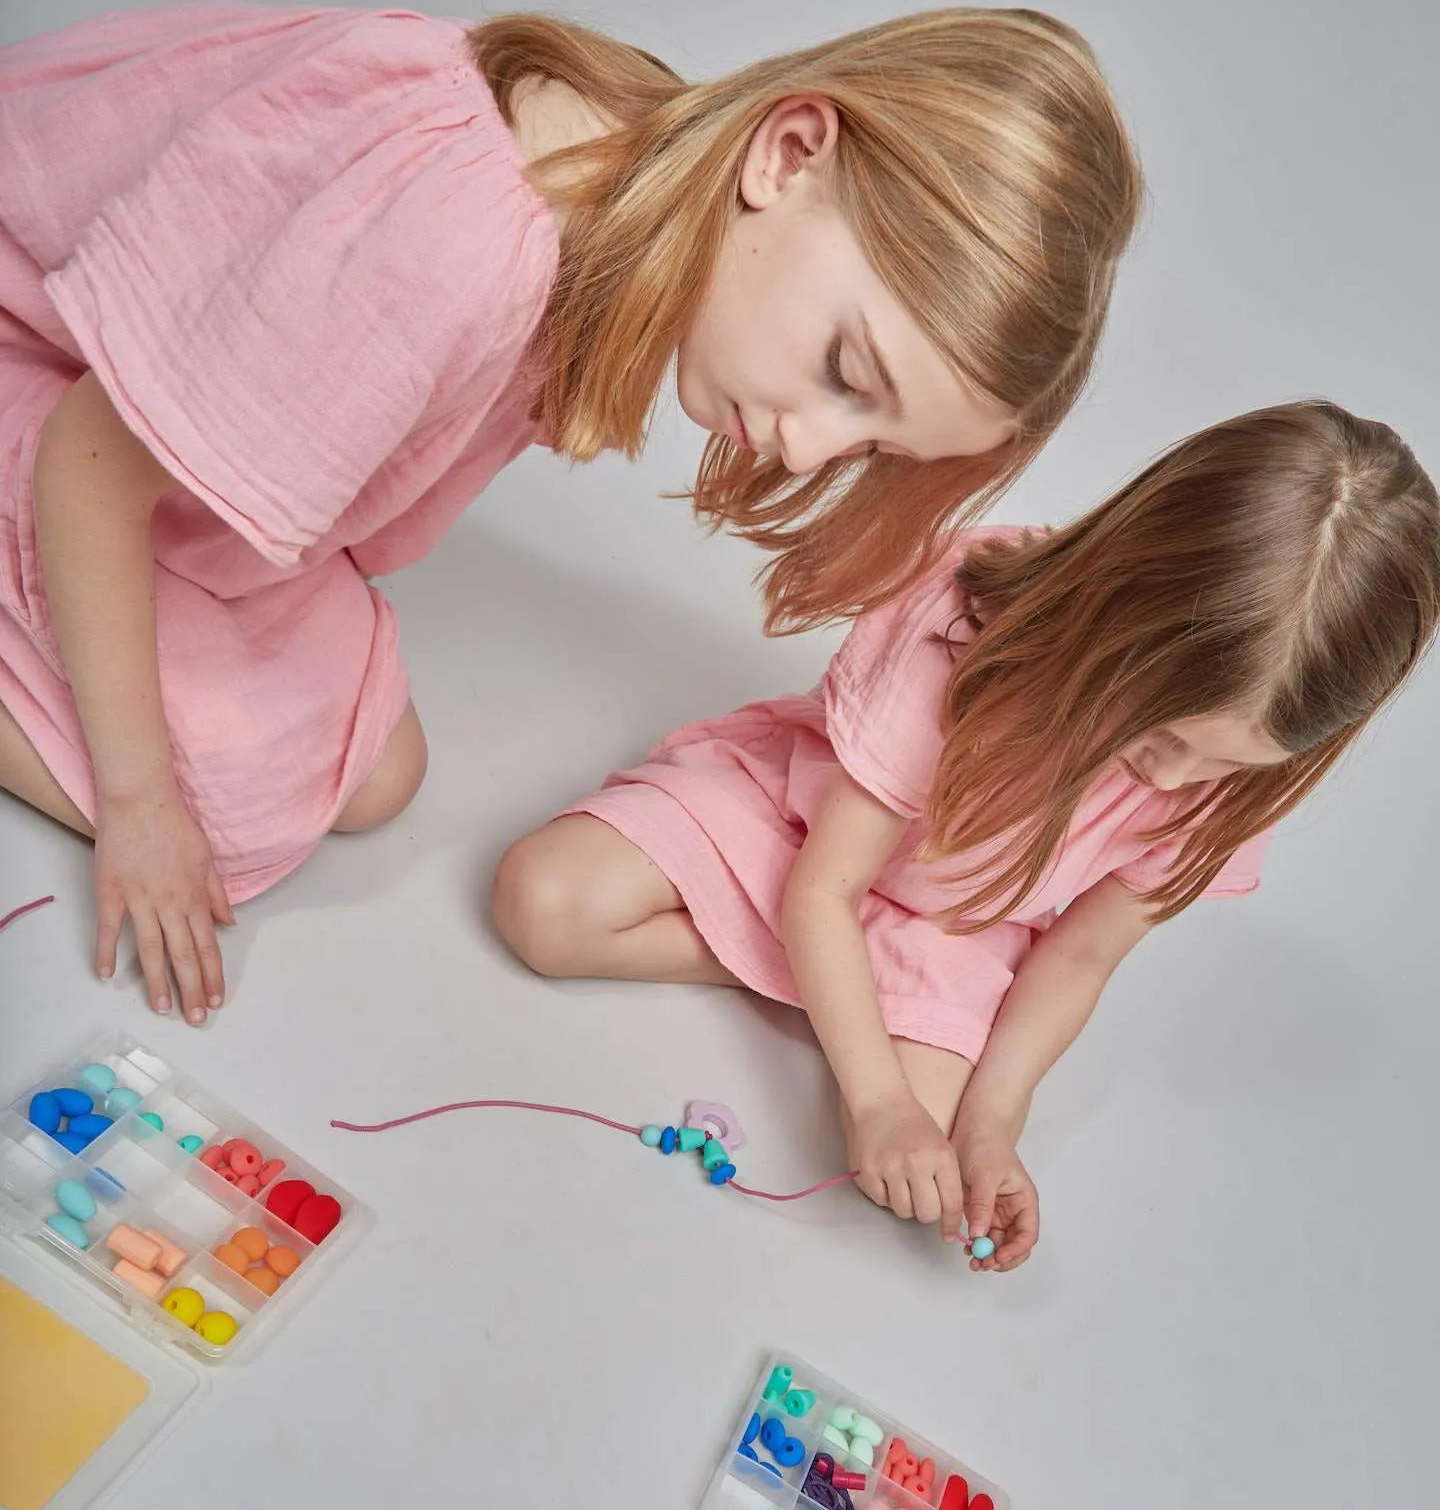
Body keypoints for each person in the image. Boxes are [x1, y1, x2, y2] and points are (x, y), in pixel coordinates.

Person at [0, 3, 1140, 1026]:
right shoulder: (456, 245)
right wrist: (142, 804)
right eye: (845, 368)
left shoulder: (633, 190)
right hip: (53, 392)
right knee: (226, 813)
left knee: (371, 769)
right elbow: (91, 462)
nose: (809, 447)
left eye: (873, 443)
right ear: (789, 156)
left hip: (125, 418)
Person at [493, 402, 1440, 1269]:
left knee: (932, 1166)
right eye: (1162, 736)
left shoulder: (1226, 787)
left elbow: (1077, 959)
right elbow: (825, 886)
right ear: (1113, 610)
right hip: (810, 836)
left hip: (958, 930)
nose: (1174, 778)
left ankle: (843, 983)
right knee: (548, 906)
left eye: (1229, 764)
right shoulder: (964, 627)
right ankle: (833, 981)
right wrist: (874, 1097)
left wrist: (994, 1123)